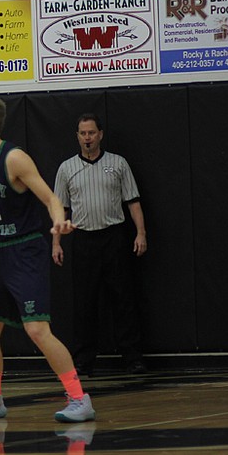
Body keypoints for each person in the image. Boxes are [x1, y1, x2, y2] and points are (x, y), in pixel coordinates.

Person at [0, 95, 94, 424]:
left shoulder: (14, 159)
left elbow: (51, 198)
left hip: (26, 250)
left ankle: (79, 398)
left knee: (37, 329)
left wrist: (58, 220)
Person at [52, 113, 148, 375]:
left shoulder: (118, 164)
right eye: (83, 133)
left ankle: (132, 357)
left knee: (124, 299)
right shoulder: (66, 169)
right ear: (77, 136)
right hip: (83, 240)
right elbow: (60, 209)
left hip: (114, 237)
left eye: (91, 133)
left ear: (100, 134)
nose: (87, 138)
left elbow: (133, 201)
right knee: (84, 303)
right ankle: (83, 360)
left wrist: (141, 233)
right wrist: (56, 243)